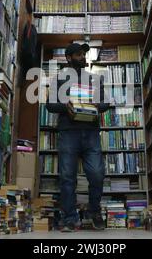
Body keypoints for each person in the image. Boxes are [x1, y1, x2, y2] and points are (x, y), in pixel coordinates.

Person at [46, 43, 110, 232]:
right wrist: (65, 105)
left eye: (84, 54)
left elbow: (105, 103)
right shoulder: (59, 79)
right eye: (79, 54)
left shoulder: (95, 79)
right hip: (68, 133)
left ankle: (94, 212)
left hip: (91, 133)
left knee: (97, 174)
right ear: (68, 58)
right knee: (67, 177)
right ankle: (69, 218)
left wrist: (98, 105)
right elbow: (50, 105)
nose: (83, 57)